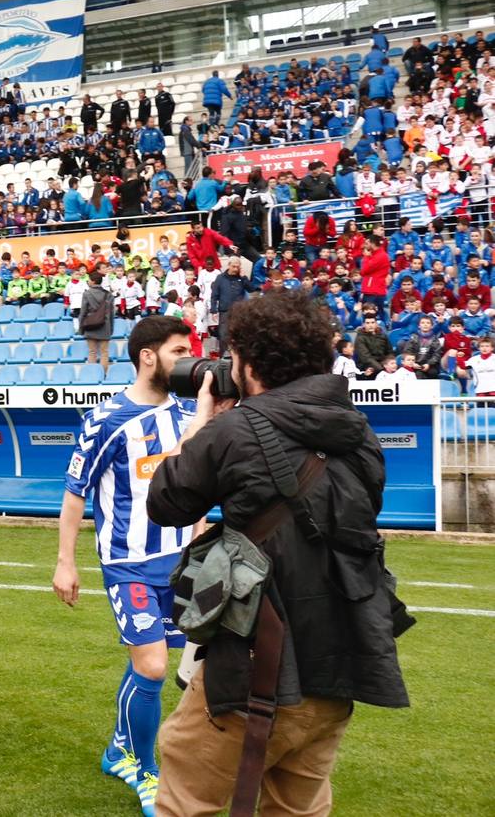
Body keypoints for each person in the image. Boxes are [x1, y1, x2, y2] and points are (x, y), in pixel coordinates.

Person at [147, 290, 410, 816]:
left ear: (248, 361)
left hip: (256, 667)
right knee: (299, 806)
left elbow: (166, 501)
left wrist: (204, 423)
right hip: (341, 658)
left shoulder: (234, 430)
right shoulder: (359, 433)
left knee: (186, 799)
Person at [53, 316, 200, 817]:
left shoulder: (186, 414)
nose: (188, 359)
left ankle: (119, 747)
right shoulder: (107, 419)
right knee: (154, 666)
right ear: (148, 356)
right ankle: (143, 767)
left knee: (148, 664)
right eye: (179, 351)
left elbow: (193, 488)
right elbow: (76, 492)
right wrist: (65, 562)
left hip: (180, 563)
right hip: (128, 564)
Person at [78, 271, 114, 370]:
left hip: (90, 325)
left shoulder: (87, 294)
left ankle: (92, 375)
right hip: (104, 326)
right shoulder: (108, 295)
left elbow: (83, 313)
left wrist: (81, 329)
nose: (88, 281)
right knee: (104, 353)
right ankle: (103, 374)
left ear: (93, 281)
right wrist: (110, 330)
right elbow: (111, 314)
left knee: (92, 352)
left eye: (89, 279)